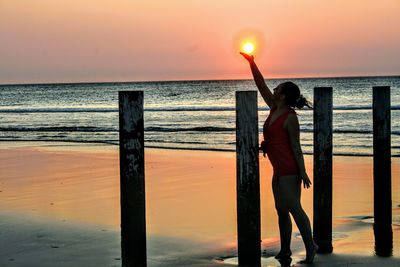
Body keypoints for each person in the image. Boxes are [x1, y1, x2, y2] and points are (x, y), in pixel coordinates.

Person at [240, 52, 318, 264]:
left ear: (283, 95)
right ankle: (285, 250)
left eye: (278, 89)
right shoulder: (274, 108)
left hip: (289, 169)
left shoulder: (290, 118)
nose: (273, 90)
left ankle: (311, 246)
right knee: (281, 210)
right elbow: (261, 84)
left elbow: (296, 146)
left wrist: (302, 171)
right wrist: (252, 63)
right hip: (277, 169)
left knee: (294, 207)